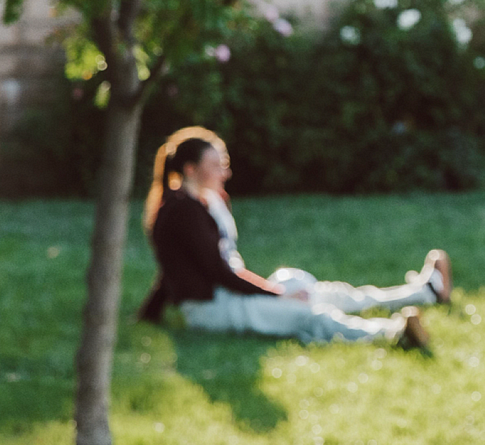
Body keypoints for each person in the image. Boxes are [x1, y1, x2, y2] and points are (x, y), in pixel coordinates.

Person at [137, 127, 446, 349]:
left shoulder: (204, 201)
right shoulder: (181, 212)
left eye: (224, 164)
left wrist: (148, 314)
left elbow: (173, 267)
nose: (225, 173)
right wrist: (274, 294)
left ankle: (421, 293)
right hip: (213, 307)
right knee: (306, 312)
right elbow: (216, 271)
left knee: (309, 286)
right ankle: (394, 333)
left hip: (230, 294)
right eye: (216, 166)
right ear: (191, 169)